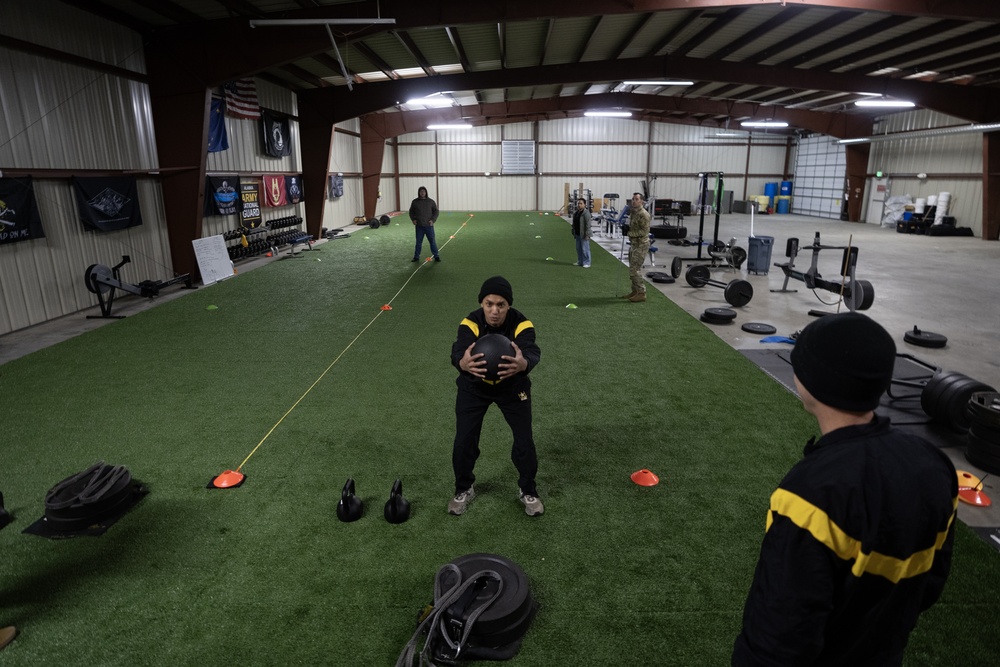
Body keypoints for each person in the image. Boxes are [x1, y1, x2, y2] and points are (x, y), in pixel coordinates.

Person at [732, 313, 958, 666]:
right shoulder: (934, 465)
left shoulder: (808, 496)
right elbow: (930, 583)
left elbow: (779, 635)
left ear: (809, 382)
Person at [449, 276, 543, 517]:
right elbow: (459, 350)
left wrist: (523, 364)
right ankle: (463, 487)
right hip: (474, 387)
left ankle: (528, 489)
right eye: (489, 304)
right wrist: (463, 363)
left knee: (524, 441)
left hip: (512, 387)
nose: (494, 311)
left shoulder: (522, 324)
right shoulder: (470, 322)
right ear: (482, 303)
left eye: (501, 304)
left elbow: (531, 351)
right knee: (464, 441)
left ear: (508, 305)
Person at [623, 192, 650, 302]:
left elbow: (644, 231)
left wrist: (629, 233)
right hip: (634, 244)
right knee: (632, 268)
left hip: (641, 244)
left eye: (636, 199)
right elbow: (633, 226)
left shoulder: (644, 214)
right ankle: (635, 290)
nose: (633, 201)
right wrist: (626, 227)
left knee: (635, 269)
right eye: (633, 199)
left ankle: (642, 292)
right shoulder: (633, 212)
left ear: (642, 201)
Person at [408, 186, 440, 262]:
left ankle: (436, 256)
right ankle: (416, 257)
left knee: (432, 241)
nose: (422, 193)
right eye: (421, 191)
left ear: (426, 193)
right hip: (419, 226)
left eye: (424, 191)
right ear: (419, 193)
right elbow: (411, 211)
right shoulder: (415, 202)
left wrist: (433, 220)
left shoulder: (431, 202)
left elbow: (436, 211)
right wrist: (413, 219)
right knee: (418, 242)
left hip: (429, 226)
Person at [571, 198, 592, 268]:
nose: (579, 205)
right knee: (578, 248)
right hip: (577, 233)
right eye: (578, 203)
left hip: (584, 234)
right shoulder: (576, 213)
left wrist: (587, 234)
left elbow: (588, 225)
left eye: (581, 203)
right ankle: (580, 261)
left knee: (585, 249)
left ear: (584, 205)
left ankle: (587, 262)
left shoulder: (586, 213)